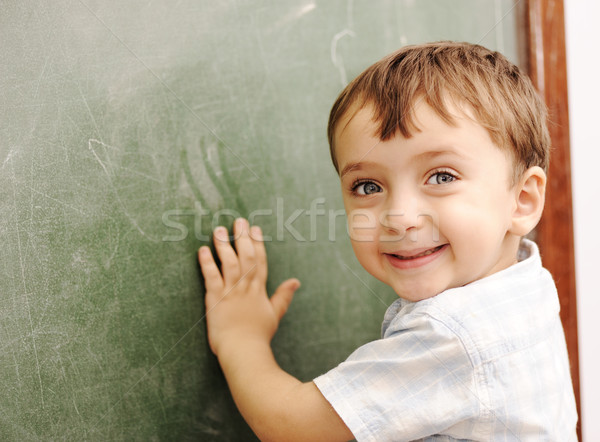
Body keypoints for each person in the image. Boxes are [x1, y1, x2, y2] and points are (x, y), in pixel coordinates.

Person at [197, 42, 578, 441]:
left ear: (522, 200)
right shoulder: (524, 286)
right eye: (367, 185)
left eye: (442, 177)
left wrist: (241, 338)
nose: (399, 217)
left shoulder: (452, 336)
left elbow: (294, 428)